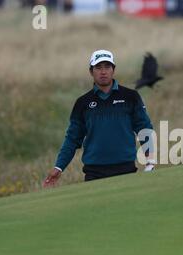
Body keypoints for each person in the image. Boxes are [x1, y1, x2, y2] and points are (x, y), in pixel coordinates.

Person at [43, 49, 155, 187]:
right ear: (91, 71)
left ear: (113, 70)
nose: (103, 72)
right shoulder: (82, 103)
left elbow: (144, 129)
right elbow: (72, 139)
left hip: (126, 169)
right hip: (94, 173)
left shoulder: (131, 97)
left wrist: (150, 160)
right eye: (98, 67)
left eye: (107, 67)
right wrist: (59, 167)